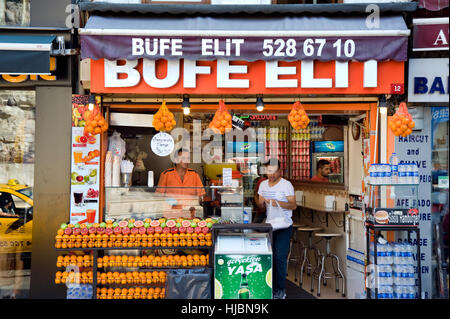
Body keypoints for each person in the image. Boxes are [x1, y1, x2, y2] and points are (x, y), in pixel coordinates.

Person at [257, 158, 297, 299]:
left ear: (280, 171)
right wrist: (261, 202)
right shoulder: (263, 185)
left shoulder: (286, 185)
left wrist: (278, 203)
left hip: (284, 226)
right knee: (268, 258)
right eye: (269, 172)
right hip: (269, 226)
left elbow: (293, 205)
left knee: (280, 258)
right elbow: (260, 205)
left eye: (274, 172)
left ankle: (280, 290)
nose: (271, 175)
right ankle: (269, 288)